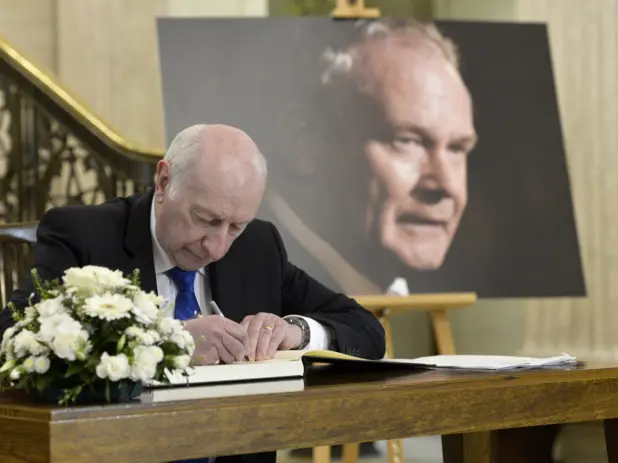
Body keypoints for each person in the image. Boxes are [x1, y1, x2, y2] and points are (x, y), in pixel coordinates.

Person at [1, 123, 386, 463]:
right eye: (206, 220)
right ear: (165, 182)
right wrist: (175, 342)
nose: (216, 247)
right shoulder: (83, 236)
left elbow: (365, 329)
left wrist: (294, 332)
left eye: (235, 226)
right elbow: (14, 339)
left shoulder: (258, 246)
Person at [263, 18, 477, 298]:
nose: (446, 185)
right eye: (407, 141)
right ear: (303, 141)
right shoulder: (248, 284)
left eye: (456, 149)